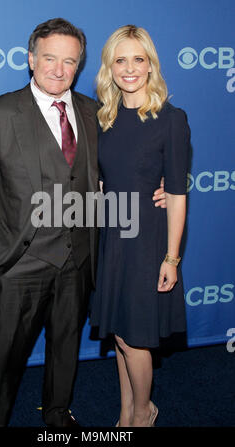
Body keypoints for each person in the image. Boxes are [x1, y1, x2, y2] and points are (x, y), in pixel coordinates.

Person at [0, 18, 165, 427]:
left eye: (69, 61)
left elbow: (130, 162)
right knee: (0, 359)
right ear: (32, 59)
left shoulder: (95, 113)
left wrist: (161, 186)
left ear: (80, 65)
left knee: (65, 348)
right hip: (18, 263)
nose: (58, 69)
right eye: (50, 58)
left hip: (78, 261)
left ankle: (57, 414)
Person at [90, 25, 190, 427]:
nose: (129, 68)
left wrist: (172, 257)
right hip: (112, 235)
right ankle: (125, 413)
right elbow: (100, 181)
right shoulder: (103, 118)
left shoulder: (171, 119)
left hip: (147, 241)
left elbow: (178, 193)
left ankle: (143, 415)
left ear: (150, 65)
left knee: (136, 339)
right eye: (120, 59)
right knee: (120, 334)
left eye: (138, 58)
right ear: (109, 68)